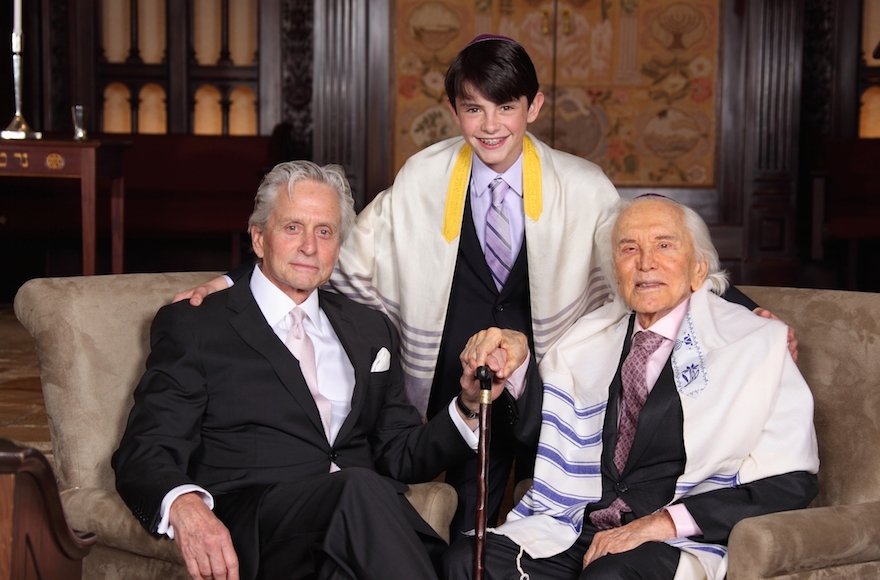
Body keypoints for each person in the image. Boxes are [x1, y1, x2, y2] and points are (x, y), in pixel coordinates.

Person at [173, 37, 789, 537]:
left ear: (534, 107)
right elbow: (345, 247)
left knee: (531, 512)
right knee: (457, 514)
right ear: (455, 110)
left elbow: (647, 257)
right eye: (473, 108)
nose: (490, 126)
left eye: (506, 107)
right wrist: (237, 280)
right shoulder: (424, 176)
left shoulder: (581, 184)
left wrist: (732, 305)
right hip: (449, 374)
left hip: (541, 374)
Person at [111, 161, 513, 580]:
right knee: (359, 488)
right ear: (258, 238)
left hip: (357, 529)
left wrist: (468, 404)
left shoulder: (369, 328)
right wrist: (185, 506)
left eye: (325, 232)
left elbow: (398, 454)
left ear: (338, 246)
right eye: (292, 228)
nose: (309, 246)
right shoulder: (198, 325)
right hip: (262, 523)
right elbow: (145, 449)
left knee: (364, 531)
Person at [442, 195, 819, 580]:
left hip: (674, 539)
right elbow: (554, 442)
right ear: (615, 272)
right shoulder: (585, 342)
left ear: (698, 268)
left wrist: (662, 524)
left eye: (664, 245)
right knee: (467, 560)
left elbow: (792, 483)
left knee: (610, 574)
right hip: (578, 528)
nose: (645, 262)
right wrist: (518, 369)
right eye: (629, 248)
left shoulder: (757, 346)